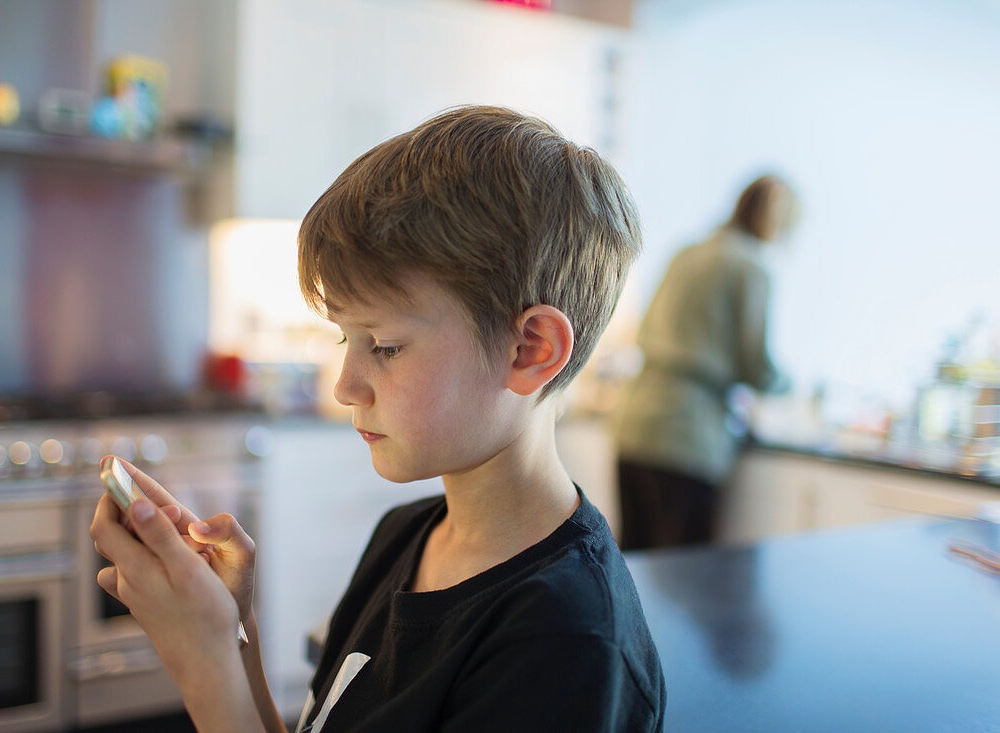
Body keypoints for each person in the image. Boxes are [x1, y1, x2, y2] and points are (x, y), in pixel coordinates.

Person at [91, 105, 666, 732]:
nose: (345, 387)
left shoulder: (563, 644)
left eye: (385, 346)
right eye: (346, 341)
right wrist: (231, 628)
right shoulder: (408, 534)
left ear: (530, 350)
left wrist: (201, 662)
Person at [612, 175, 797, 551]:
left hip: (634, 423)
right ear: (777, 218)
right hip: (687, 437)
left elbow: (646, 327)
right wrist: (791, 385)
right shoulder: (750, 266)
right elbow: (756, 366)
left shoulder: (687, 253)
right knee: (686, 582)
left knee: (633, 567)